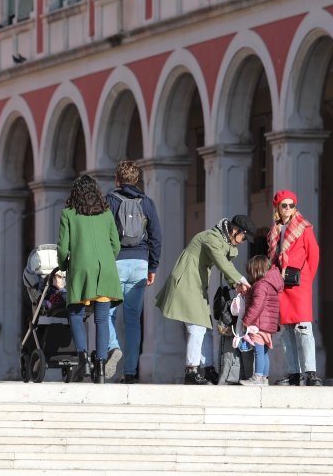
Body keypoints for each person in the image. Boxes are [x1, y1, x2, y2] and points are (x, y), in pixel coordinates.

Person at [155, 215, 255, 384]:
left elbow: (225, 262)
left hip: (195, 286)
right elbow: (222, 261)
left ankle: (207, 369)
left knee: (205, 328)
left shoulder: (220, 239)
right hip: (186, 283)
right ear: (235, 230)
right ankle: (191, 371)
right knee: (197, 327)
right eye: (244, 237)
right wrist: (241, 280)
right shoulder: (211, 238)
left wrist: (234, 283)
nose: (243, 241)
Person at [57, 175, 123, 384]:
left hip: (81, 270)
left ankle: (83, 359)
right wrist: (105, 260)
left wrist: (62, 266)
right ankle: (101, 368)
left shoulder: (68, 214)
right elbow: (116, 244)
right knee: (102, 320)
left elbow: (63, 247)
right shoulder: (106, 213)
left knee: (76, 316)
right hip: (106, 270)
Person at [105, 160, 162, 383]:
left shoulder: (110, 200)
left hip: (116, 263)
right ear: (137, 180)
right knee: (133, 319)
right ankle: (130, 372)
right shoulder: (147, 202)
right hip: (140, 264)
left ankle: (113, 347)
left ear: (117, 179)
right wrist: (153, 266)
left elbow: (103, 234)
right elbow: (156, 236)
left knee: (108, 313)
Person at [267, 190, 321, 386]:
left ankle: (311, 373)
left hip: (299, 285)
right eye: (284, 205)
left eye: (291, 205)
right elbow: (272, 259)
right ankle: (293, 374)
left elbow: (314, 255)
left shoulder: (304, 228)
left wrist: (306, 278)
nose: (288, 208)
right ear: (278, 208)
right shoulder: (274, 230)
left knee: (305, 329)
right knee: (286, 331)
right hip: (282, 285)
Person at [238, 256, 283, 386]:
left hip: (258, 323)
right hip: (267, 324)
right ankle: (264, 378)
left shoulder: (260, 285)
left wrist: (247, 320)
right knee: (264, 352)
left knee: (258, 351)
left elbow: (257, 305)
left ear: (255, 270)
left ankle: (257, 377)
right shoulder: (269, 284)